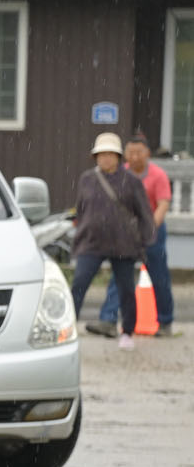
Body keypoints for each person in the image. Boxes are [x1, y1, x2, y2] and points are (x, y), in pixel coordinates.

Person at [73, 132, 155, 351]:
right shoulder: (87, 179)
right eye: (102, 154)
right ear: (95, 157)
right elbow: (81, 209)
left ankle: (127, 331)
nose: (106, 158)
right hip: (91, 242)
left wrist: (146, 240)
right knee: (78, 284)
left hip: (123, 243)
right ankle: (68, 329)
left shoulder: (132, 182)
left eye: (110, 154)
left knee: (126, 289)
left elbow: (144, 214)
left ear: (118, 157)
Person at [97, 129, 176, 337]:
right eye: (130, 153)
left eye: (138, 152)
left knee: (159, 276)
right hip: (126, 232)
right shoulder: (119, 174)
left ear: (147, 153)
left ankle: (165, 322)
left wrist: (149, 229)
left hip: (153, 231)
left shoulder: (158, 175)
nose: (134, 157)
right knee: (120, 275)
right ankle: (108, 320)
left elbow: (163, 205)